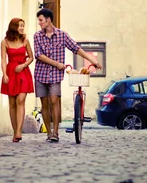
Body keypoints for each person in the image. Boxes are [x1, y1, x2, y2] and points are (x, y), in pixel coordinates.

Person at [33, 8, 102, 142]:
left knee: (54, 100)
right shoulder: (37, 36)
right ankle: (48, 133)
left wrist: (93, 61)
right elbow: (38, 55)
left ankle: (56, 133)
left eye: (41, 20)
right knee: (44, 103)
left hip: (55, 75)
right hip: (40, 73)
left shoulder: (62, 35)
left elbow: (76, 48)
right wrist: (56, 64)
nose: (39, 23)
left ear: (48, 20)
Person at [1, 18, 35, 142]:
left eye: (23, 26)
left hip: (23, 72)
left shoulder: (25, 40)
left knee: (20, 100)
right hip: (11, 73)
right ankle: (15, 131)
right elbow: (4, 60)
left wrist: (23, 66)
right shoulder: (5, 42)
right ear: (14, 27)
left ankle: (19, 131)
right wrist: (4, 74)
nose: (22, 28)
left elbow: (31, 57)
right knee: (12, 103)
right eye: (20, 26)